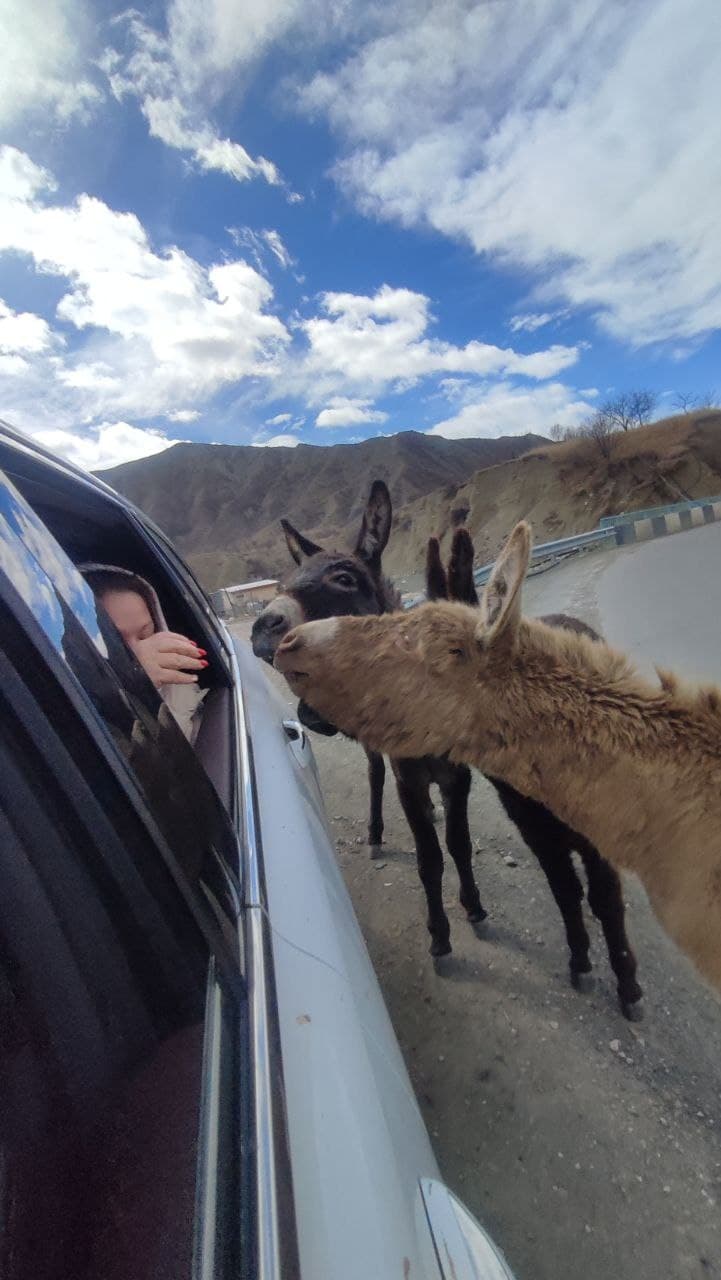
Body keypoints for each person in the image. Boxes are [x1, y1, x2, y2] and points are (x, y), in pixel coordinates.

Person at [79, 564, 207, 743]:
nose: (142, 652)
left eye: (146, 634)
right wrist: (123, 689)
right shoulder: (74, 710)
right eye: (115, 643)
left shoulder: (182, 688)